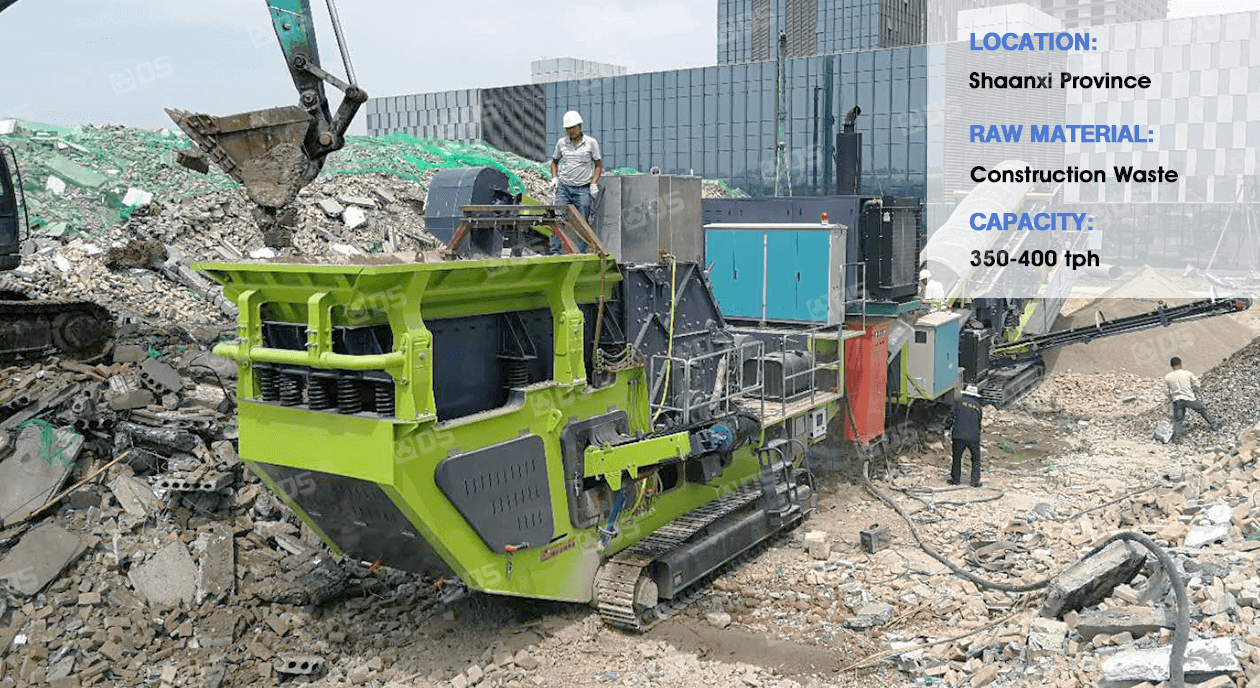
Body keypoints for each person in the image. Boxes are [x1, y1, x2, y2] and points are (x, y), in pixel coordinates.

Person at [550, 110, 602, 253]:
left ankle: (580, 253)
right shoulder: (561, 143)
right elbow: (554, 162)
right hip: (564, 188)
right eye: (568, 129)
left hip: (583, 189)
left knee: (582, 222)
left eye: (573, 127)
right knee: (558, 219)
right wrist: (555, 178)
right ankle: (555, 251)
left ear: (580, 126)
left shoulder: (591, 143)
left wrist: (593, 184)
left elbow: (597, 165)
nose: (570, 131)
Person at [1165, 357, 1220, 442]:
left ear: (1171, 366)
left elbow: (1166, 391)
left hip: (1177, 400)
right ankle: (1213, 424)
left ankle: (1176, 438)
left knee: (1179, 419)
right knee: (1202, 409)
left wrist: (1171, 398)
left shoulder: (1168, 377)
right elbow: (1197, 384)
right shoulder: (1187, 374)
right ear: (1180, 364)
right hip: (1189, 398)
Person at [949, 384, 984, 487]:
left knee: (957, 457)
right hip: (973, 437)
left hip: (958, 435)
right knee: (976, 458)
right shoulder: (978, 406)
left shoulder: (958, 402)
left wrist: (947, 428)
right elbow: (979, 422)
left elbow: (951, 416)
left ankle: (955, 480)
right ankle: (975, 481)